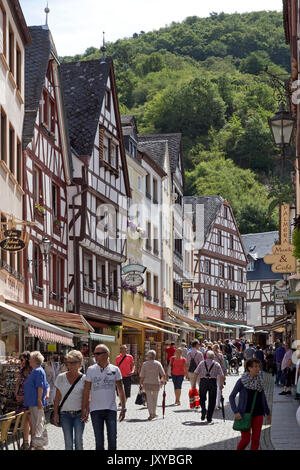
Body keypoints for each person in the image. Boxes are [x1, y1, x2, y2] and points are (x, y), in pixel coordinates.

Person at [82, 344, 126, 450]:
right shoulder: (91, 370)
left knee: (112, 439)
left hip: (111, 409)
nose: (95, 356)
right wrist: (84, 408)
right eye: (94, 354)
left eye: (98, 354)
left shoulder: (115, 369)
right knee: (99, 441)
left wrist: (123, 407)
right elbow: (86, 390)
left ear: (106, 354)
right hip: (95, 410)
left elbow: (120, 389)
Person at [229, 358, 271, 450]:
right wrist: (236, 412)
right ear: (249, 368)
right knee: (246, 439)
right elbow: (231, 397)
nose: (257, 369)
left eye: (258, 367)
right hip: (244, 414)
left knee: (256, 440)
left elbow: (263, 398)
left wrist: (268, 413)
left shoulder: (260, 381)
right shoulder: (242, 381)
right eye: (255, 367)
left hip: (258, 413)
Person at [53, 350, 85, 450]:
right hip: (65, 414)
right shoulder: (61, 377)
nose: (70, 365)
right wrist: (55, 414)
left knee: (79, 441)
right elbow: (57, 398)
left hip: (79, 414)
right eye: (68, 363)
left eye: (73, 363)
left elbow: (87, 397)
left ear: (79, 363)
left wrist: (86, 411)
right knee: (68, 443)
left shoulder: (85, 379)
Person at [23, 351, 50, 450]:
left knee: (38, 424)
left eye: (30, 358)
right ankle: (39, 445)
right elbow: (45, 385)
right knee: (37, 423)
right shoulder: (37, 370)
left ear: (34, 360)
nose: (29, 360)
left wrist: (39, 400)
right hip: (33, 402)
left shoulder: (38, 371)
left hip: (35, 402)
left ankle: (39, 446)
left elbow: (40, 386)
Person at [192, 350, 225, 424]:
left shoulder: (202, 363)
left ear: (206, 356)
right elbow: (222, 375)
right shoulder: (216, 364)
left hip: (203, 381)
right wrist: (221, 385)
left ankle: (203, 409)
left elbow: (196, 373)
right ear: (213, 357)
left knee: (202, 397)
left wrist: (194, 383)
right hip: (212, 382)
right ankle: (209, 417)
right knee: (212, 400)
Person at [139, 350, 166, 420]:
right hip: (156, 383)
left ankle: (151, 413)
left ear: (149, 356)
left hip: (147, 383)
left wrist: (140, 383)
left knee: (149, 399)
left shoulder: (145, 364)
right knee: (155, 399)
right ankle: (154, 412)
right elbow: (163, 374)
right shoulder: (158, 363)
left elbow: (142, 375)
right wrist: (162, 381)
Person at [15, 351, 32, 450]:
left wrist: (25, 397)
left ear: (27, 360)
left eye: (22, 360)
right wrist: (16, 394)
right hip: (21, 400)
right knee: (25, 420)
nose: (20, 362)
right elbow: (18, 384)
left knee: (30, 420)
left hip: (30, 399)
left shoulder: (33, 372)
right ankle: (25, 442)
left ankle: (33, 443)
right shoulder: (21, 371)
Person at [212, 344, 226, 409]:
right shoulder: (220, 355)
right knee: (219, 388)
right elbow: (223, 365)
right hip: (220, 372)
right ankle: (218, 404)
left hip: (212, 373)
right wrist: (224, 374)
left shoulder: (211, 355)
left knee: (213, 388)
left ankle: (213, 404)